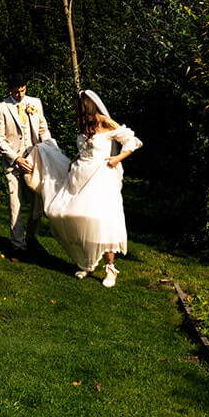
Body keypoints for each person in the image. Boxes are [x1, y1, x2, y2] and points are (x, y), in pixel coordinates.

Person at [44, 89, 140, 288]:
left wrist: (118, 158)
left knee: (100, 219)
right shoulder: (82, 124)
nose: (76, 113)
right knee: (64, 213)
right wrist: (75, 159)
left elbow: (132, 140)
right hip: (80, 175)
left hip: (101, 176)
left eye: (79, 109)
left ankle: (110, 268)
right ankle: (87, 262)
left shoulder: (104, 121)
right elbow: (84, 148)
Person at [0, 74, 65, 254]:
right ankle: (18, 246)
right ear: (10, 89)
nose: (20, 95)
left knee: (38, 202)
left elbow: (43, 129)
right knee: (14, 204)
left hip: (36, 160)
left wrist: (50, 148)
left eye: (23, 90)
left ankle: (32, 238)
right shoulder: (1, 107)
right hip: (13, 163)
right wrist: (16, 159)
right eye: (16, 92)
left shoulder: (36, 102)